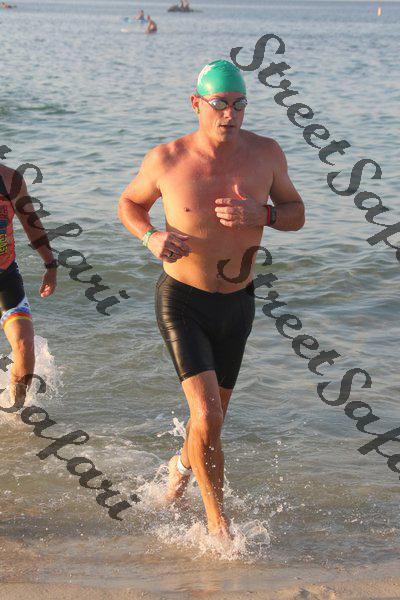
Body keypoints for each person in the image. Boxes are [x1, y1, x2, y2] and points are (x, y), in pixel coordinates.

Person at [118, 60, 305, 540]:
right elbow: (129, 203)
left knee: (211, 424)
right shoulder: (167, 159)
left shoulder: (266, 154)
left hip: (238, 303)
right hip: (183, 301)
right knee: (206, 414)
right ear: (196, 104)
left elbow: (296, 213)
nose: (230, 114)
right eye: (220, 103)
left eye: (239, 104)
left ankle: (180, 465)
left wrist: (262, 214)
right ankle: (217, 525)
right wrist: (151, 237)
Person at [0, 165, 57, 413]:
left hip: (4, 276)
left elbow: (30, 223)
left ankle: (15, 415)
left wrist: (50, 264)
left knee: (25, 344)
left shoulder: (9, 179)